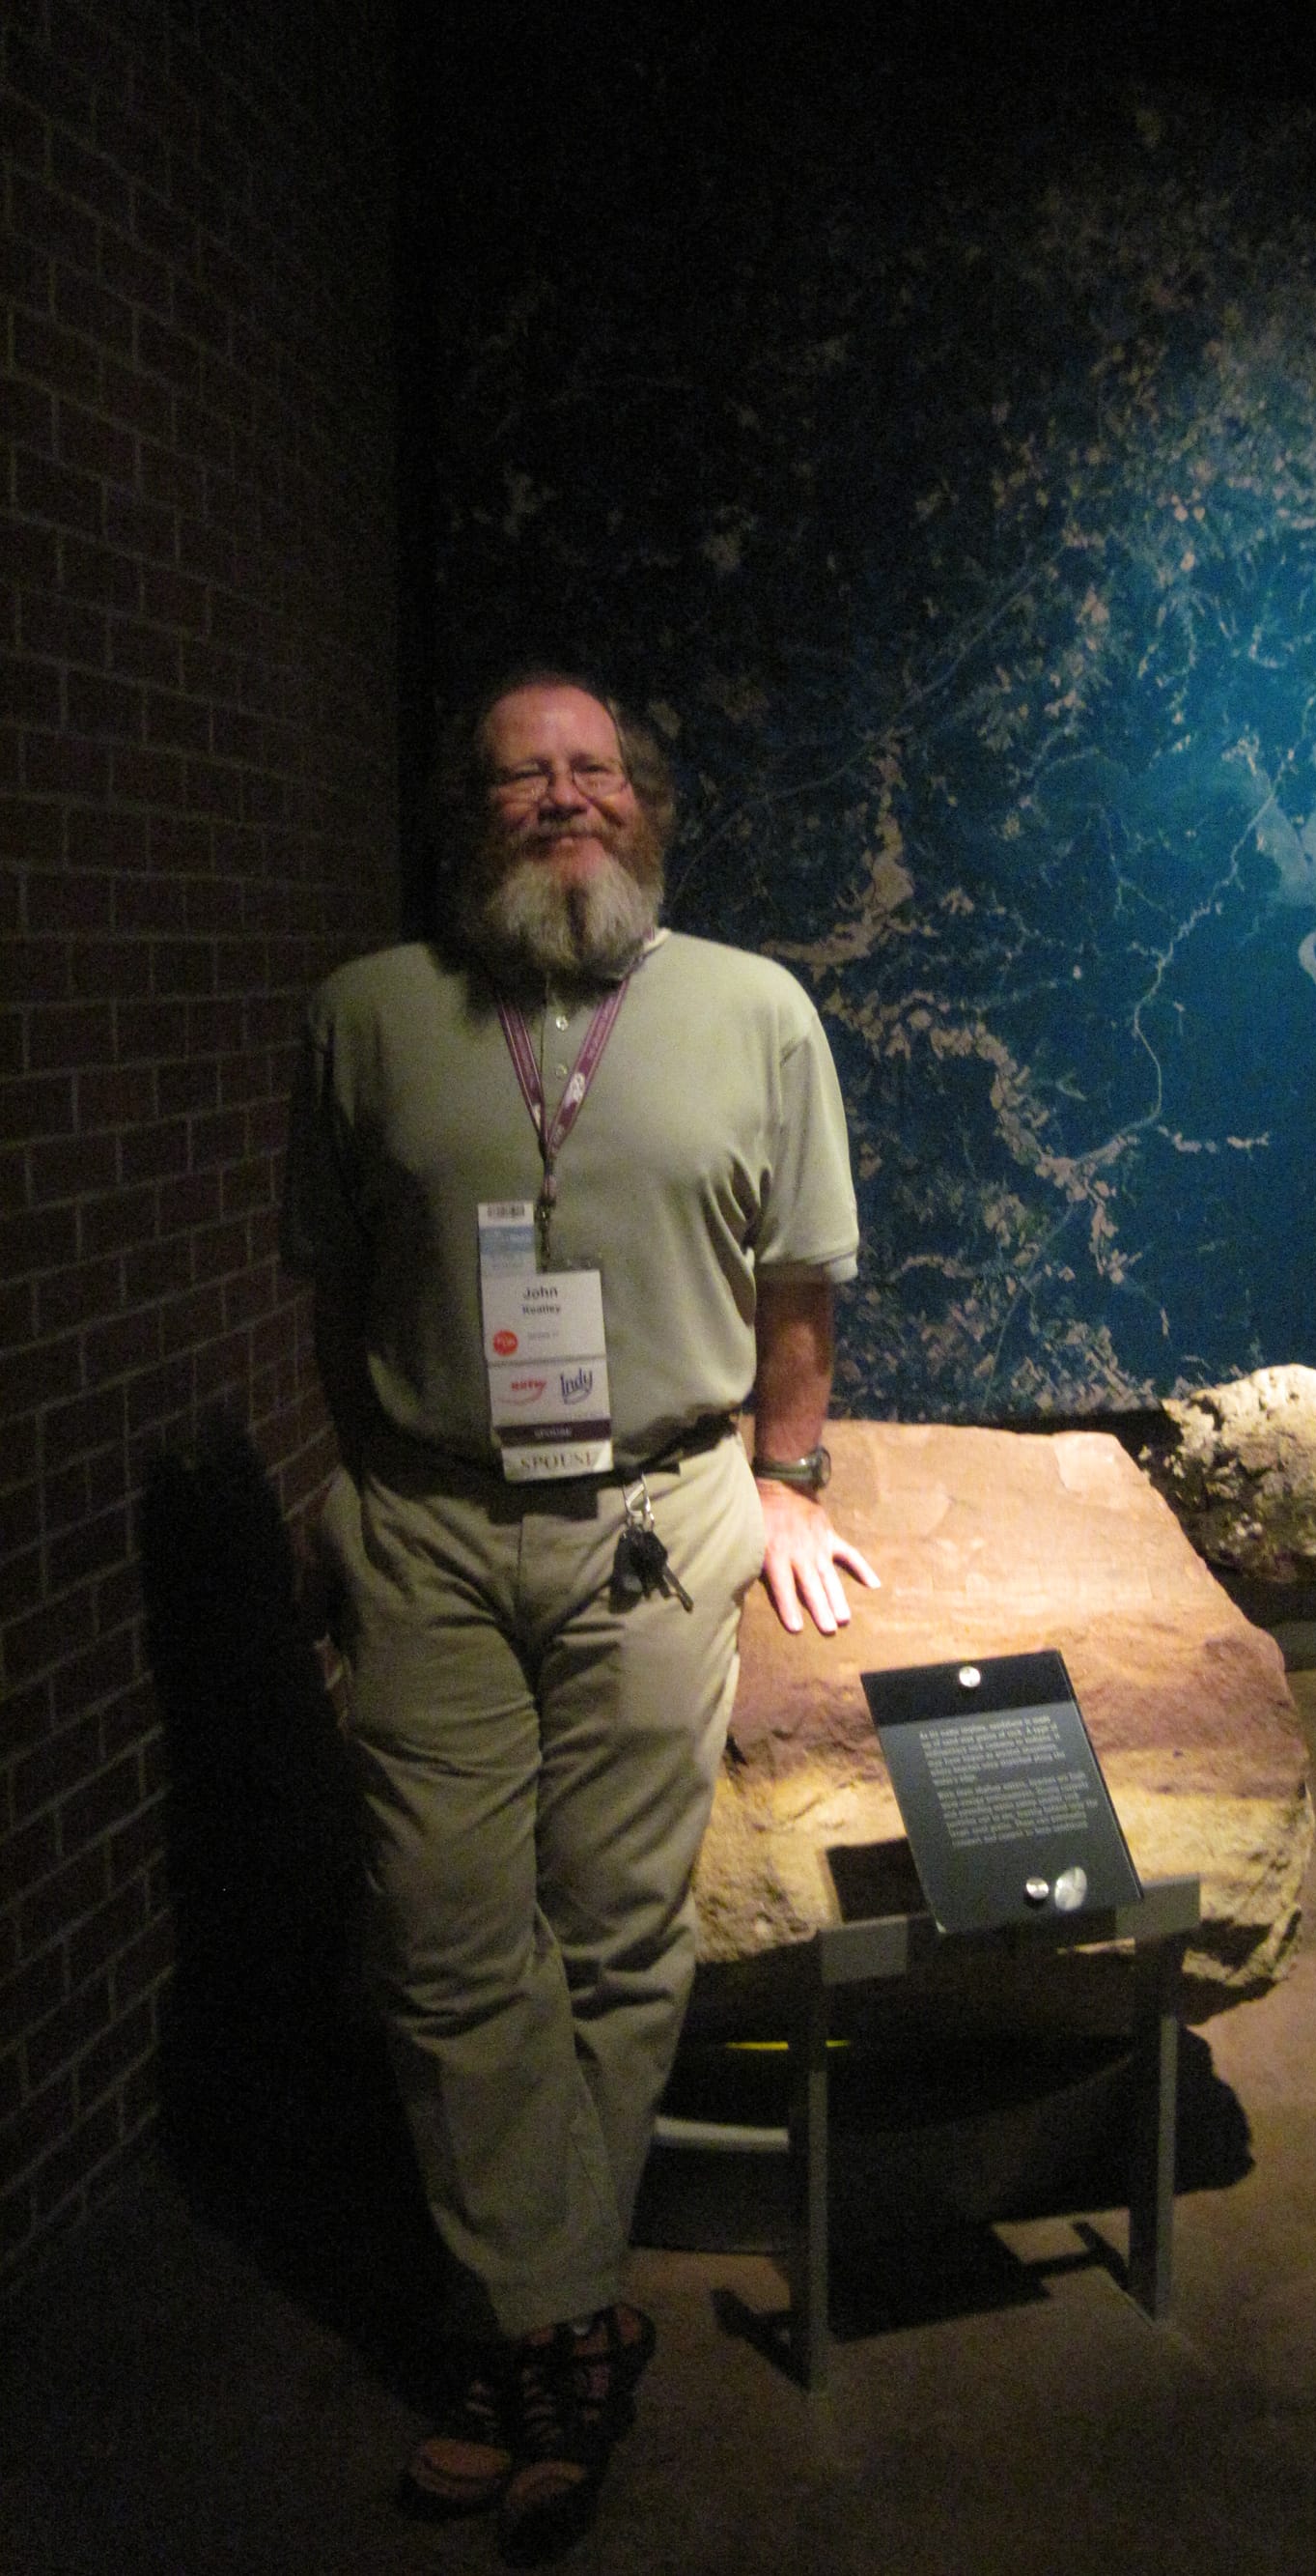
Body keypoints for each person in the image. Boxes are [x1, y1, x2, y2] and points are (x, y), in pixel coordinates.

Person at [283, 669, 878, 2559]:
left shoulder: (755, 1010)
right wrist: (373, 1485)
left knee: (616, 1934)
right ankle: (570, 2327)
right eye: (521, 772)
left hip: (660, 1510)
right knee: (443, 1931)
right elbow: (338, 1292)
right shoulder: (366, 1015)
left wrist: (788, 1481)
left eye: (594, 767)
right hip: (432, 1518)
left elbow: (798, 1285)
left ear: (647, 801)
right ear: (468, 814)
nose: (562, 794)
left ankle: (508, 2350)